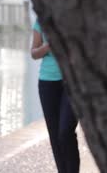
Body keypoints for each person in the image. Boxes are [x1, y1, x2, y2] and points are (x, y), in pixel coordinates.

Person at [31, 18, 79, 173]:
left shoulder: (71, 18)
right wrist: (48, 46)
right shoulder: (41, 21)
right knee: (55, 137)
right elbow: (34, 52)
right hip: (47, 83)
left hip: (72, 82)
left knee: (65, 131)